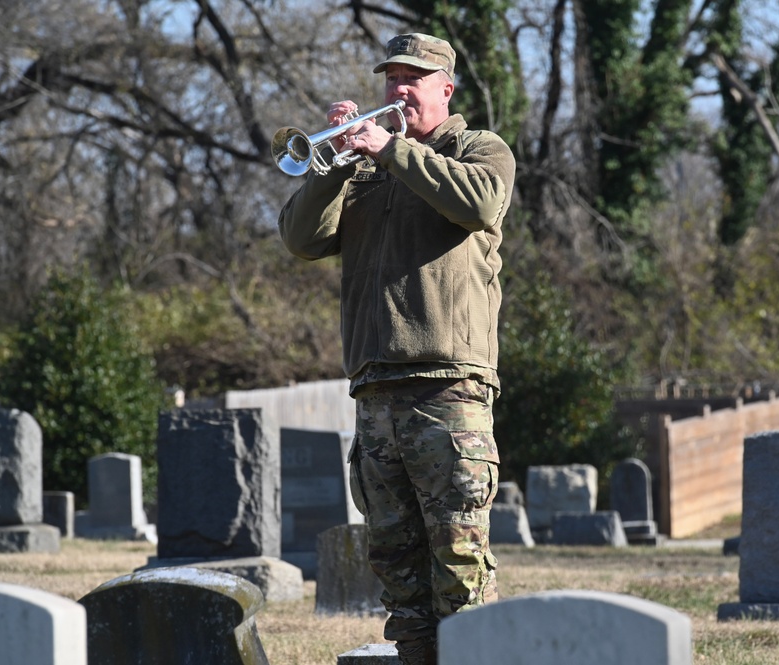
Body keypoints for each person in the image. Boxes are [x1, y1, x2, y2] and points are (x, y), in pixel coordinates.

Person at [278, 32, 516, 665]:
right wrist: (331, 166)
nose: (399, 89)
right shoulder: (363, 169)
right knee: (398, 570)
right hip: (375, 388)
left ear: (447, 87)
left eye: (415, 77)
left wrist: (393, 150)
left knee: (459, 565)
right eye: (391, 78)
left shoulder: (477, 149)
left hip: (448, 390)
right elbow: (301, 239)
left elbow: (481, 201)